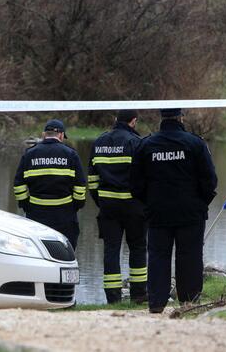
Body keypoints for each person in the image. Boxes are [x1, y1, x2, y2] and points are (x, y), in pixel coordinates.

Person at [130, 108, 217, 313]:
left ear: (162, 117)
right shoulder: (195, 143)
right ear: (181, 118)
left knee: (158, 256)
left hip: (158, 211)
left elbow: (134, 183)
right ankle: (189, 302)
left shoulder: (146, 145)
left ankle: (157, 303)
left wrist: (149, 203)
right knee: (190, 256)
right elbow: (210, 179)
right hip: (190, 212)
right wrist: (202, 202)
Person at [88, 109, 147, 304]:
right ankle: (138, 295)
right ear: (133, 121)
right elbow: (144, 179)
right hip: (133, 206)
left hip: (108, 206)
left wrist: (101, 200)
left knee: (111, 250)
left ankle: (113, 298)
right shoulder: (136, 142)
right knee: (138, 248)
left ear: (116, 120)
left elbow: (92, 179)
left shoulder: (99, 142)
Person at [13, 119, 86, 249]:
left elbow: (19, 184)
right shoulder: (71, 154)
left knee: (38, 252)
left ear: (43, 134)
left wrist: (25, 204)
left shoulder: (29, 154)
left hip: (36, 213)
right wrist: (76, 205)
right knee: (65, 252)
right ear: (61, 135)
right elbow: (80, 185)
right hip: (64, 213)